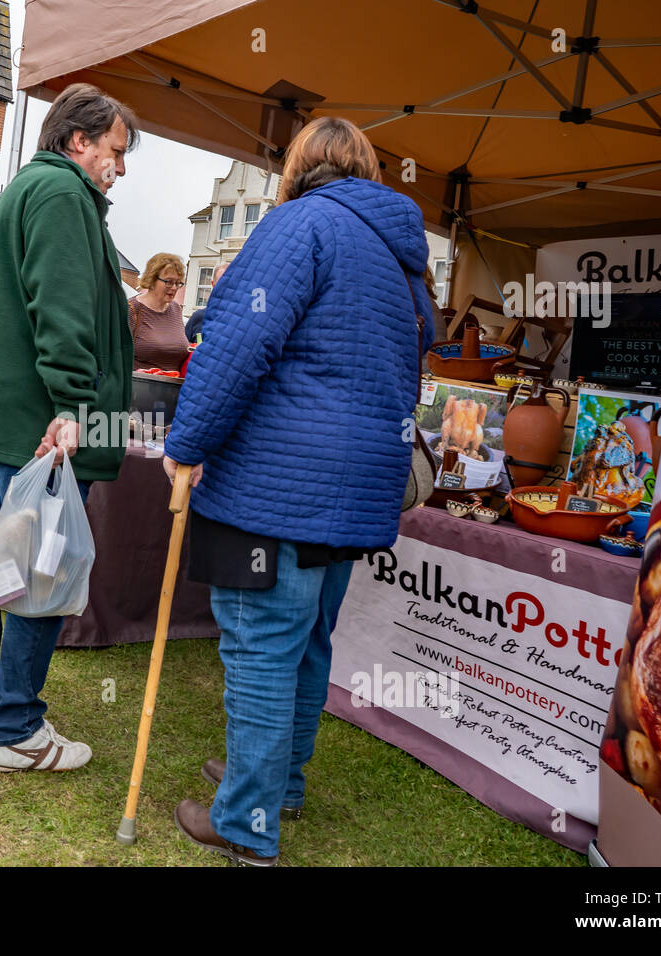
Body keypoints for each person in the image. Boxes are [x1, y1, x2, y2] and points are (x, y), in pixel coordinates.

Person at [161, 116, 434, 866]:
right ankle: (277, 782)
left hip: (280, 485)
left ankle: (247, 818)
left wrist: (185, 444)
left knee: (261, 646)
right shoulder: (400, 255)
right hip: (356, 489)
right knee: (307, 642)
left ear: (299, 166)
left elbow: (239, 346)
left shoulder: (299, 225)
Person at [0, 83, 139, 773]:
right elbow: (62, 311)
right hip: (42, 421)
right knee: (38, 570)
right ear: (79, 140)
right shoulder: (60, 196)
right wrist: (75, 407)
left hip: (4, 413)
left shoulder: (21, 192)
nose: (120, 167)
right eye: (116, 150)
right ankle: (16, 728)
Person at [128, 253, 190, 371]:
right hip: (139, 386)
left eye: (178, 283)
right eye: (169, 282)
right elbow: (114, 355)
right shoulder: (132, 309)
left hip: (172, 387)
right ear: (152, 279)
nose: (174, 288)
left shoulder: (176, 309)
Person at [184, 261, 226, 343]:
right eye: (221, 283)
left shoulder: (244, 321)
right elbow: (184, 350)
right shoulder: (198, 318)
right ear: (213, 284)